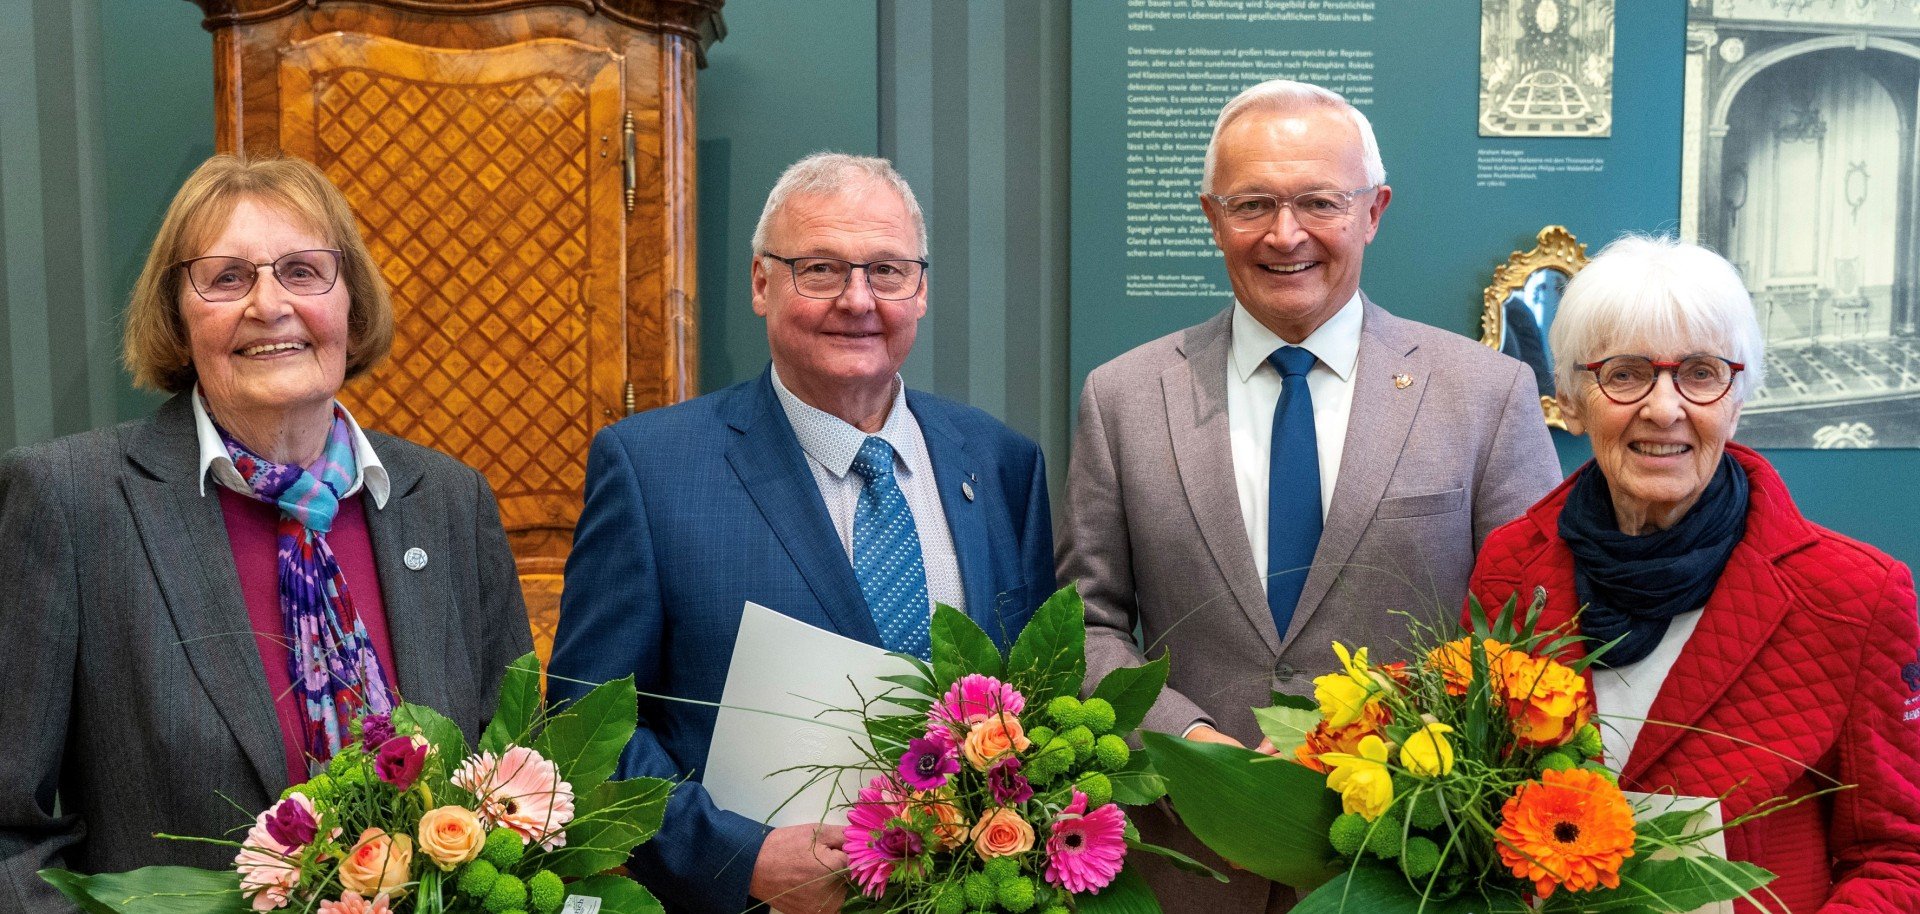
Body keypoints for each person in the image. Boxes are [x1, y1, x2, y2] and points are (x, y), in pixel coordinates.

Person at [1059, 80, 1562, 914]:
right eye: (1252, 203)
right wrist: (1193, 747)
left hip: (1411, 861)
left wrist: (1378, 743)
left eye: (1319, 202)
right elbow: (1088, 623)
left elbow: (1529, 634)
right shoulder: (1124, 397)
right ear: (1212, 216)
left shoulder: (1485, 395)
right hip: (1190, 859)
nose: (1284, 234)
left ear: (1374, 211)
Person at [0, 155, 533, 912]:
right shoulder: (71, 503)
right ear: (178, 318)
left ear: (350, 301)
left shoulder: (447, 501)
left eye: (302, 270)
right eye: (225, 278)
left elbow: (515, 780)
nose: (268, 304)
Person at [547, 152, 1053, 914]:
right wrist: (737, 858)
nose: (857, 299)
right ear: (760, 283)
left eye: (886, 270)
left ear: (921, 289)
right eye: (819, 268)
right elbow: (586, 728)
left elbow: (1036, 698)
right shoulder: (653, 469)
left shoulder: (1002, 462)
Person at [1467, 235, 1920, 913]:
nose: (1664, 408)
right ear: (1573, 396)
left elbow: (1897, 855)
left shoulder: (1856, 596)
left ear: (1739, 395)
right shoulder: (1509, 566)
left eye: (1701, 373)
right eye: (1625, 374)